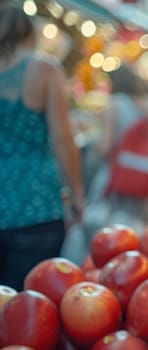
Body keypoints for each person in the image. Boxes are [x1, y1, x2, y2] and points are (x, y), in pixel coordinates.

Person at [0, 3, 85, 290]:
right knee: (28, 306)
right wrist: (76, 194)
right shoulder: (44, 69)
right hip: (36, 204)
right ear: (28, 32)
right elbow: (62, 138)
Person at [85, 64, 148, 235]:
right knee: (135, 233)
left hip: (115, 178)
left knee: (108, 232)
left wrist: (92, 145)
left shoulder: (116, 104)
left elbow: (105, 148)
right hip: (146, 179)